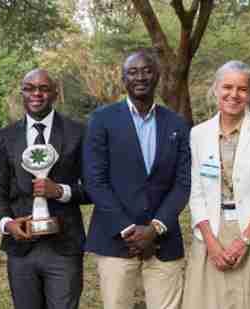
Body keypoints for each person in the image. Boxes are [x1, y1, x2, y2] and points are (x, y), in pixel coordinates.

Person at [82, 49, 190, 309]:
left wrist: (155, 228)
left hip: (164, 241)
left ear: (157, 76)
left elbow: (183, 182)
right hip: (116, 239)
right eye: (133, 72)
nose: (140, 77)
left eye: (147, 70)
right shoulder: (101, 120)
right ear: (123, 79)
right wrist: (129, 230)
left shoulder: (176, 123)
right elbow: (95, 180)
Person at [181, 60, 250, 309]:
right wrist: (211, 243)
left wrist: (243, 241)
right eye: (227, 87)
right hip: (211, 235)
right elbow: (196, 193)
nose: (233, 95)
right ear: (216, 89)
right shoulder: (198, 133)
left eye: (242, 89)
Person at [0, 69, 88, 309]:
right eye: (30, 88)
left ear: (55, 93)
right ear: (22, 93)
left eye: (44, 88)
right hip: (21, 246)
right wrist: (7, 223)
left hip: (64, 246)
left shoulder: (78, 132)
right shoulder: (6, 136)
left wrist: (61, 191)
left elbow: (93, 188)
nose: (37, 94)